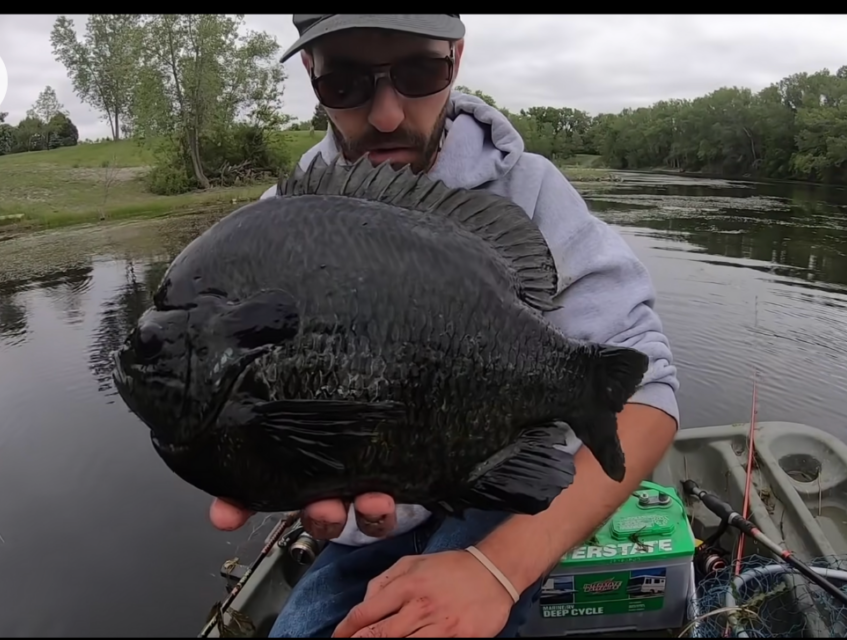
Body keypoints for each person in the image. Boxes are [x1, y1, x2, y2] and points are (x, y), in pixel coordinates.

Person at [208, 14, 680, 638]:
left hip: (505, 505)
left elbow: (647, 394)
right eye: (345, 82)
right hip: (361, 533)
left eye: (417, 72)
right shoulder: (278, 229)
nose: (384, 114)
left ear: (456, 60)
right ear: (311, 74)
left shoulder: (529, 190)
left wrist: (496, 571)